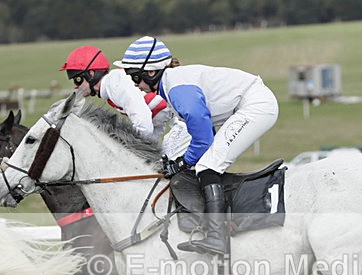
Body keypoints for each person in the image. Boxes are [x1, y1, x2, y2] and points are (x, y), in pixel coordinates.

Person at [115, 36, 279, 256]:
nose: (135, 84)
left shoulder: (176, 89)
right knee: (207, 163)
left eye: (135, 76)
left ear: (152, 72)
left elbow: (203, 139)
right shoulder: (171, 85)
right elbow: (205, 132)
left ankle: (216, 236)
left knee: (207, 166)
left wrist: (182, 162)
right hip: (250, 103)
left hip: (255, 105)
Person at [60, 45, 172, 141]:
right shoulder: (111, 88)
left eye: (77, 80)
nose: (75, 86)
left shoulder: (115, 84)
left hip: (181, 119)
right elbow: (154, 123)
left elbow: (144, 126)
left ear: (91, 74)